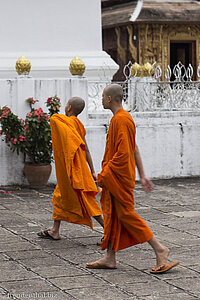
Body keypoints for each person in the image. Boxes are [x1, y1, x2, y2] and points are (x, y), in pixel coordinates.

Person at [86, 84, 179, 274]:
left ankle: (160, 249)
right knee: (113, 215)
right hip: (118, 178)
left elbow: (122, 155)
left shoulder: (121, 120)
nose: (101, 100)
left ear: (110, 99)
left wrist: (103, 175)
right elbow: (134, 148)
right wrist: (143, 175)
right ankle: (110, 258)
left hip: (118, 178)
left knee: (127, 215)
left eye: (103, 97)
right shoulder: (121, 119)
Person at [38, 97, 104, 240]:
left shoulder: (62, 121)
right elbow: (85, 149)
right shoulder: (78, 125)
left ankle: (109, 231)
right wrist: (92, 170)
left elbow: (54, 120)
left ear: (68, 108)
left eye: (66, 104)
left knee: (87, 202)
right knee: (59, 197)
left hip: (73, 170)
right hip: (79, 169)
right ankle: (55, 230)